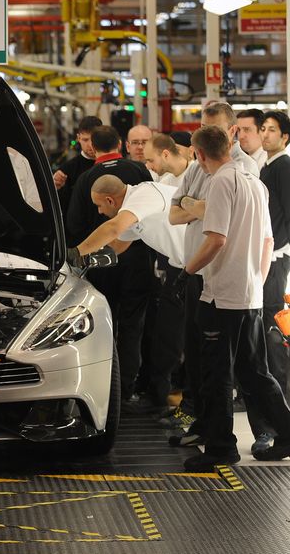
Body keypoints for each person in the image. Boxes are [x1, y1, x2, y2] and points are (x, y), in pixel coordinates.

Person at [179, 125, 290, 472]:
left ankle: (221, 447)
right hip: (249, 291)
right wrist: (255, 281)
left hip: (221, 294)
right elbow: (268, 242)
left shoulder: (221, 181)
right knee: (253, 371)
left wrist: (188, 270)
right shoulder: (254, 181)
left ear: (200, 153)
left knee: (217, 372)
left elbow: (216, 239)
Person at [71, 175, 186, 411]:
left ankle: (182, 405)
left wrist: (74, 254)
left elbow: (113, 227)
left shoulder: (144, 195)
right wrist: (82, 267)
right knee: (166, 338)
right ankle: (161, 400)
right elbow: (118, 244)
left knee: (177, 341)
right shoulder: (132, 209)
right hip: (180, 269)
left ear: (111, 200)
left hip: (197, 268)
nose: (100, 212)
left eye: (100, 206)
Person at [65, 126, 154, 404]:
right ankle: (128, 388)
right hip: (139, 260)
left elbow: (74, 226)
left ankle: (103, 388)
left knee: (102, 326)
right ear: (120, 143)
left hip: (101, 263)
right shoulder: (139, 172)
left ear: (93, 145)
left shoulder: (85, 179)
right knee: (134, 326)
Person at [258, 111, 290, 395]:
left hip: (276, 255)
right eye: (263, 128)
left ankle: (279, 386)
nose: (265, 134)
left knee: (273, 317)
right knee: (265, 318)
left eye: (271, 130)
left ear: (284, 137)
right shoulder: (268, 165)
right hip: (268, 253)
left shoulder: (284, 166)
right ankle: (269, 382)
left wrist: (280, 246)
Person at [53, 116, 102, 221]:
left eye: (94, 139)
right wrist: (56, 188)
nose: (90, 145)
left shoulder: (110, 164)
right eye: (85, 140)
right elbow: (62, 206)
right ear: (78, 138)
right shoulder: (67, 169)